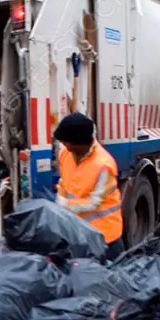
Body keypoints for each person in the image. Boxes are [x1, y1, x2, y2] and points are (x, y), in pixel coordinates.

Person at [54, 112, 124, 261]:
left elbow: (94, 202)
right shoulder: (65, 154)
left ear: (81, 142)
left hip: (105, 239)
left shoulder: (104, 165)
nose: (65, 145)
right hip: (78, 235)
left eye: (67, 142)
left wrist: (64, 205)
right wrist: (59, 196)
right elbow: (63, 182)